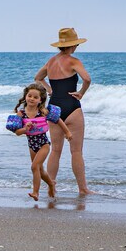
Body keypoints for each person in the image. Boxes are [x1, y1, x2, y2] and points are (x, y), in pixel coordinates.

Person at [34, 27, 93, 196]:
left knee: (55, 151)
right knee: (76, 151)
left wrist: (50, 90)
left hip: (54, 108)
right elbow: (87, 79)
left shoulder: (50, 62)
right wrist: (81, 92)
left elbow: (37, 78)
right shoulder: (74, 61)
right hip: (72, 107)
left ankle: (51, 187)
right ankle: (83, 189)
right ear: (73, 45)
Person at [12, 83, 72, 201]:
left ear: (40, 100)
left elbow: (58, 120)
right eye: (30, 96)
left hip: (43, 144)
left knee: (34, 167)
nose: (32, 99)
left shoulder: (43, 111)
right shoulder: (21, 113)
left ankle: (36, 192)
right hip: (31, 145)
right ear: (25, 97)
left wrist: (67, 132)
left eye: (35, 97)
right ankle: (51, 184)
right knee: (39, 169)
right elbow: (17, 132)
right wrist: (25, 129)